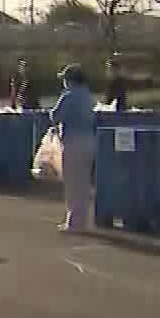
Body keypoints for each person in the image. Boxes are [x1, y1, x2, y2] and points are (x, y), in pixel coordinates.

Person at [48, 63, 98, 232]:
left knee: (72, 183)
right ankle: (81, 220)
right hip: (89, 140)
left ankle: (74, 222)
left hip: (73, 141)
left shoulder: (68, 96)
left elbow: (55, 116)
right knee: (83, 183)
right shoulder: (88, 96)